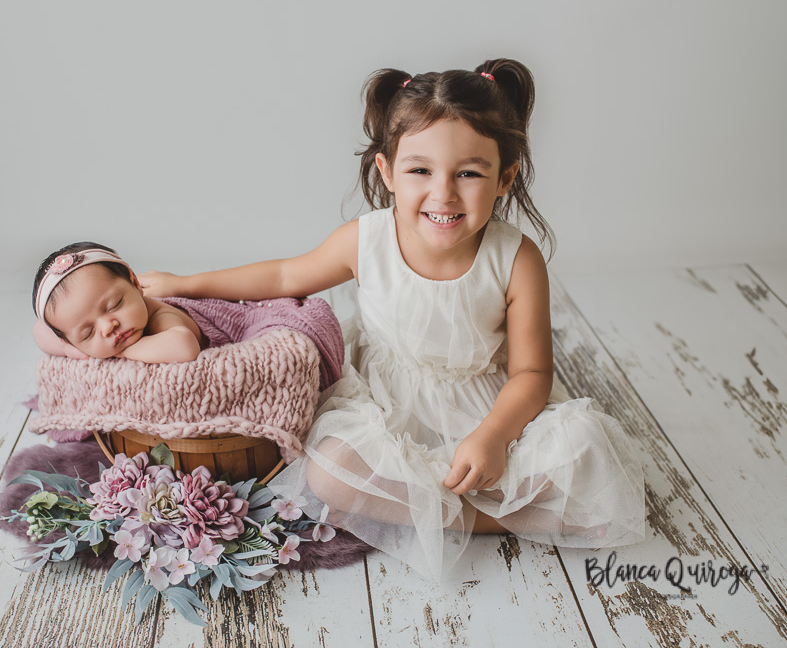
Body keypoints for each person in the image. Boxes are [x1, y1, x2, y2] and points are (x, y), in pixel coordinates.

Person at [139, 59, 646, 579]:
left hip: (487, 403)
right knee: (327, 475)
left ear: (504, 178)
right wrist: (185, 283)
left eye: (469, 173)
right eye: (420, 170)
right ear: (387, 171)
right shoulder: (368, 239)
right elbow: (287, 277)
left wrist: (493, 436)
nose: (444, 193)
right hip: (386, 398)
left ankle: (448, 507)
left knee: (581, 452)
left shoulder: (515, 258)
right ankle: (488, 518)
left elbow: (533, 375)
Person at [32, 242, 203, 364]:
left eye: (114, 305)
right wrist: (70, 349)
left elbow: (185, 346)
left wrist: (121, 352)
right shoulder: (71, 336)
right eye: (88, 333)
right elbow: (39, 330)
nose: (108, 327)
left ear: (134, 282)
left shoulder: (160, 315)